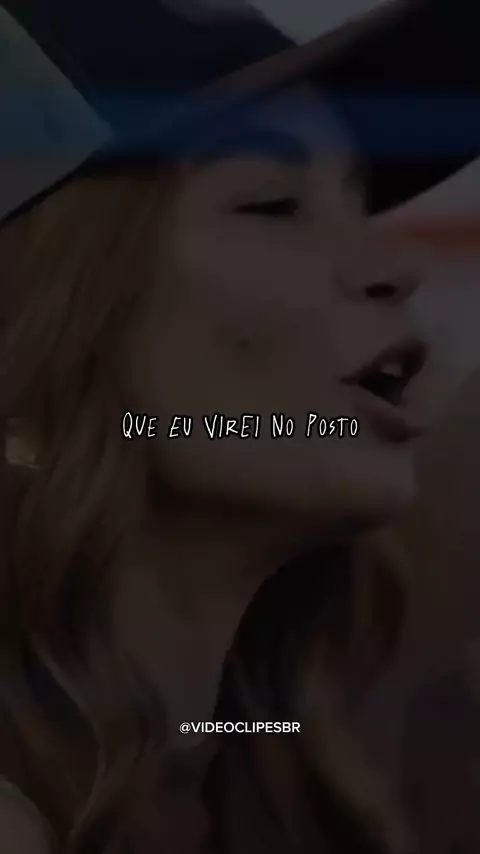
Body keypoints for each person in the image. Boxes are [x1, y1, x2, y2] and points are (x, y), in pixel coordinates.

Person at [1, 1, 479, 852]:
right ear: (42, 320)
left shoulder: (269, 761)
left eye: (359, 203)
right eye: (271, 204)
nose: (397, 266)